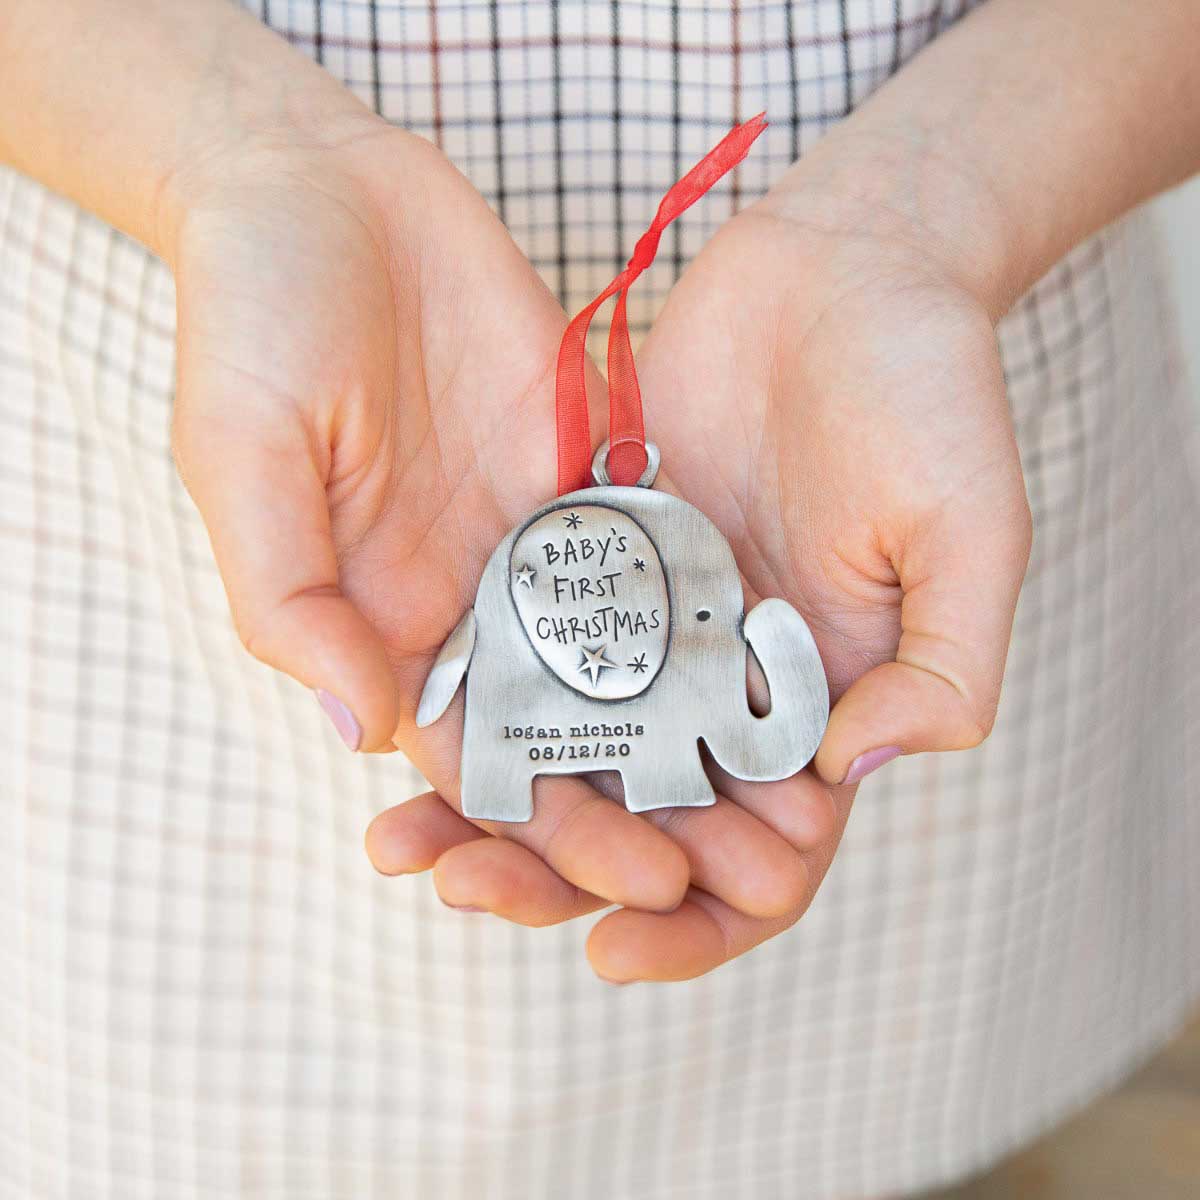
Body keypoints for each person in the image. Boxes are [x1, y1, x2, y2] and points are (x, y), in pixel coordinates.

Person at [2, 1, 1198, 1196]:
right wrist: (227, 150)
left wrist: (935, 211)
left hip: (929, 382)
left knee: (933, 1096)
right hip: (185, 432)